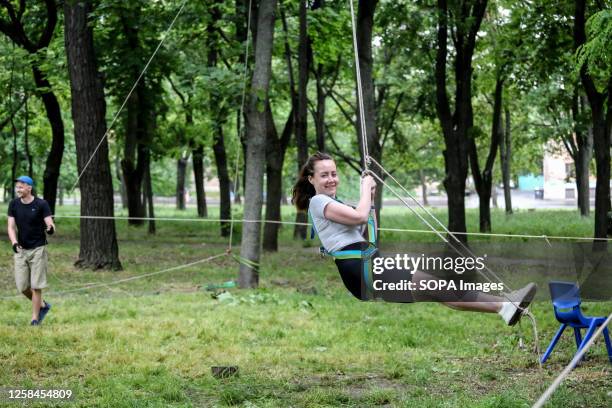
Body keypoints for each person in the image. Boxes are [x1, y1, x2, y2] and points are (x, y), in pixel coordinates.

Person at [292, 152, 536, 326]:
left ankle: (504, 307)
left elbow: (367, 232)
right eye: (324, 175)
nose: (331, 179)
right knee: (440, 289)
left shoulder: (333, 203)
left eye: (334, 173)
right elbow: (358, 217)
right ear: (311, 179)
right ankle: (505, 306)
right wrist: (365, 189)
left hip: (367, 267)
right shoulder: (319, 201)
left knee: (440, 291)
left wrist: (372, 201)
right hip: (364, 270)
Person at [7, 176, 55, 326]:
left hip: (38, 249)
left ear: (29, 188)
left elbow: (50, 224)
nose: (18, 189)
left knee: (36, 286)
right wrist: (14, 242)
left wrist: (50, 229)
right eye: (17, 187)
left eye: (21, 187)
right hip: (21, 250)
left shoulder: (41, 204)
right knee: (22, 286)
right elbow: (10, 227)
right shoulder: (14, 204)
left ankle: (35, 318)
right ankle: (43, 305)